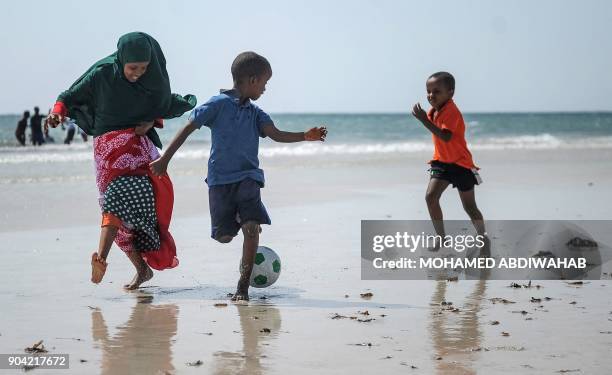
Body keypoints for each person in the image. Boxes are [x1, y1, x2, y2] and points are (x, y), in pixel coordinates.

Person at [150, 51, 327, 301]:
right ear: (252, 80)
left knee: (251, 228)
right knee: (224, 236)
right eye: (264, 83)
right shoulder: (217, 104)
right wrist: (165, 159)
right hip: (220, 181)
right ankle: (240, 222)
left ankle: (242, 287)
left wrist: (304, 136)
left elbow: (275, 134)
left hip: (248, 179)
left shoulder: (256, 113)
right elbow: (189, 126)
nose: (265, 89)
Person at [46, 32, 196, 289]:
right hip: (106, 153)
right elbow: (68, 96)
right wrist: (57, 113)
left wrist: (152, 121)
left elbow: (164, 105)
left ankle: (101, 257)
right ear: (121, 60)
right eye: (133, 67)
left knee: (116, 201)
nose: (139, 73)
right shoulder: (102, 74)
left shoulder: (153, 81)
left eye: (144, 68)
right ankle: (142, 270)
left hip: (138, 152)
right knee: (115, 215)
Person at [411, 72, 487, 251]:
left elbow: (445, 136)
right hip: (442, 163)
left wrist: (423, 120)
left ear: (450, 93)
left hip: (461, 165)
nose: (431, 95)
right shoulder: (433, 111)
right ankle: (441, 237)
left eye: (436, 91)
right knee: (431, 197)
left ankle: (482, 237)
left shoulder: (452, 111)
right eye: (428, 91)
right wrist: (425, 118)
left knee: (469, 207)